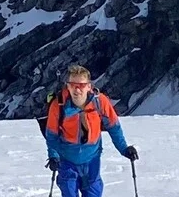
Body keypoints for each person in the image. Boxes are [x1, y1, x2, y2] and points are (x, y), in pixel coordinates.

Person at [44, 64, 137, 197]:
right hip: (66, 160)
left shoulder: (100, 102)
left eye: (81, 85)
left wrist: (124, 148)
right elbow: (52, 135)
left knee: (93, 192)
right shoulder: (58, 105)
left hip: (92, 159)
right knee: (69, 192)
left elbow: (114, 127)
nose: (77, 90)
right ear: (67, 86)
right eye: (72, 85)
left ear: (89, 86)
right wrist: (53, 156)